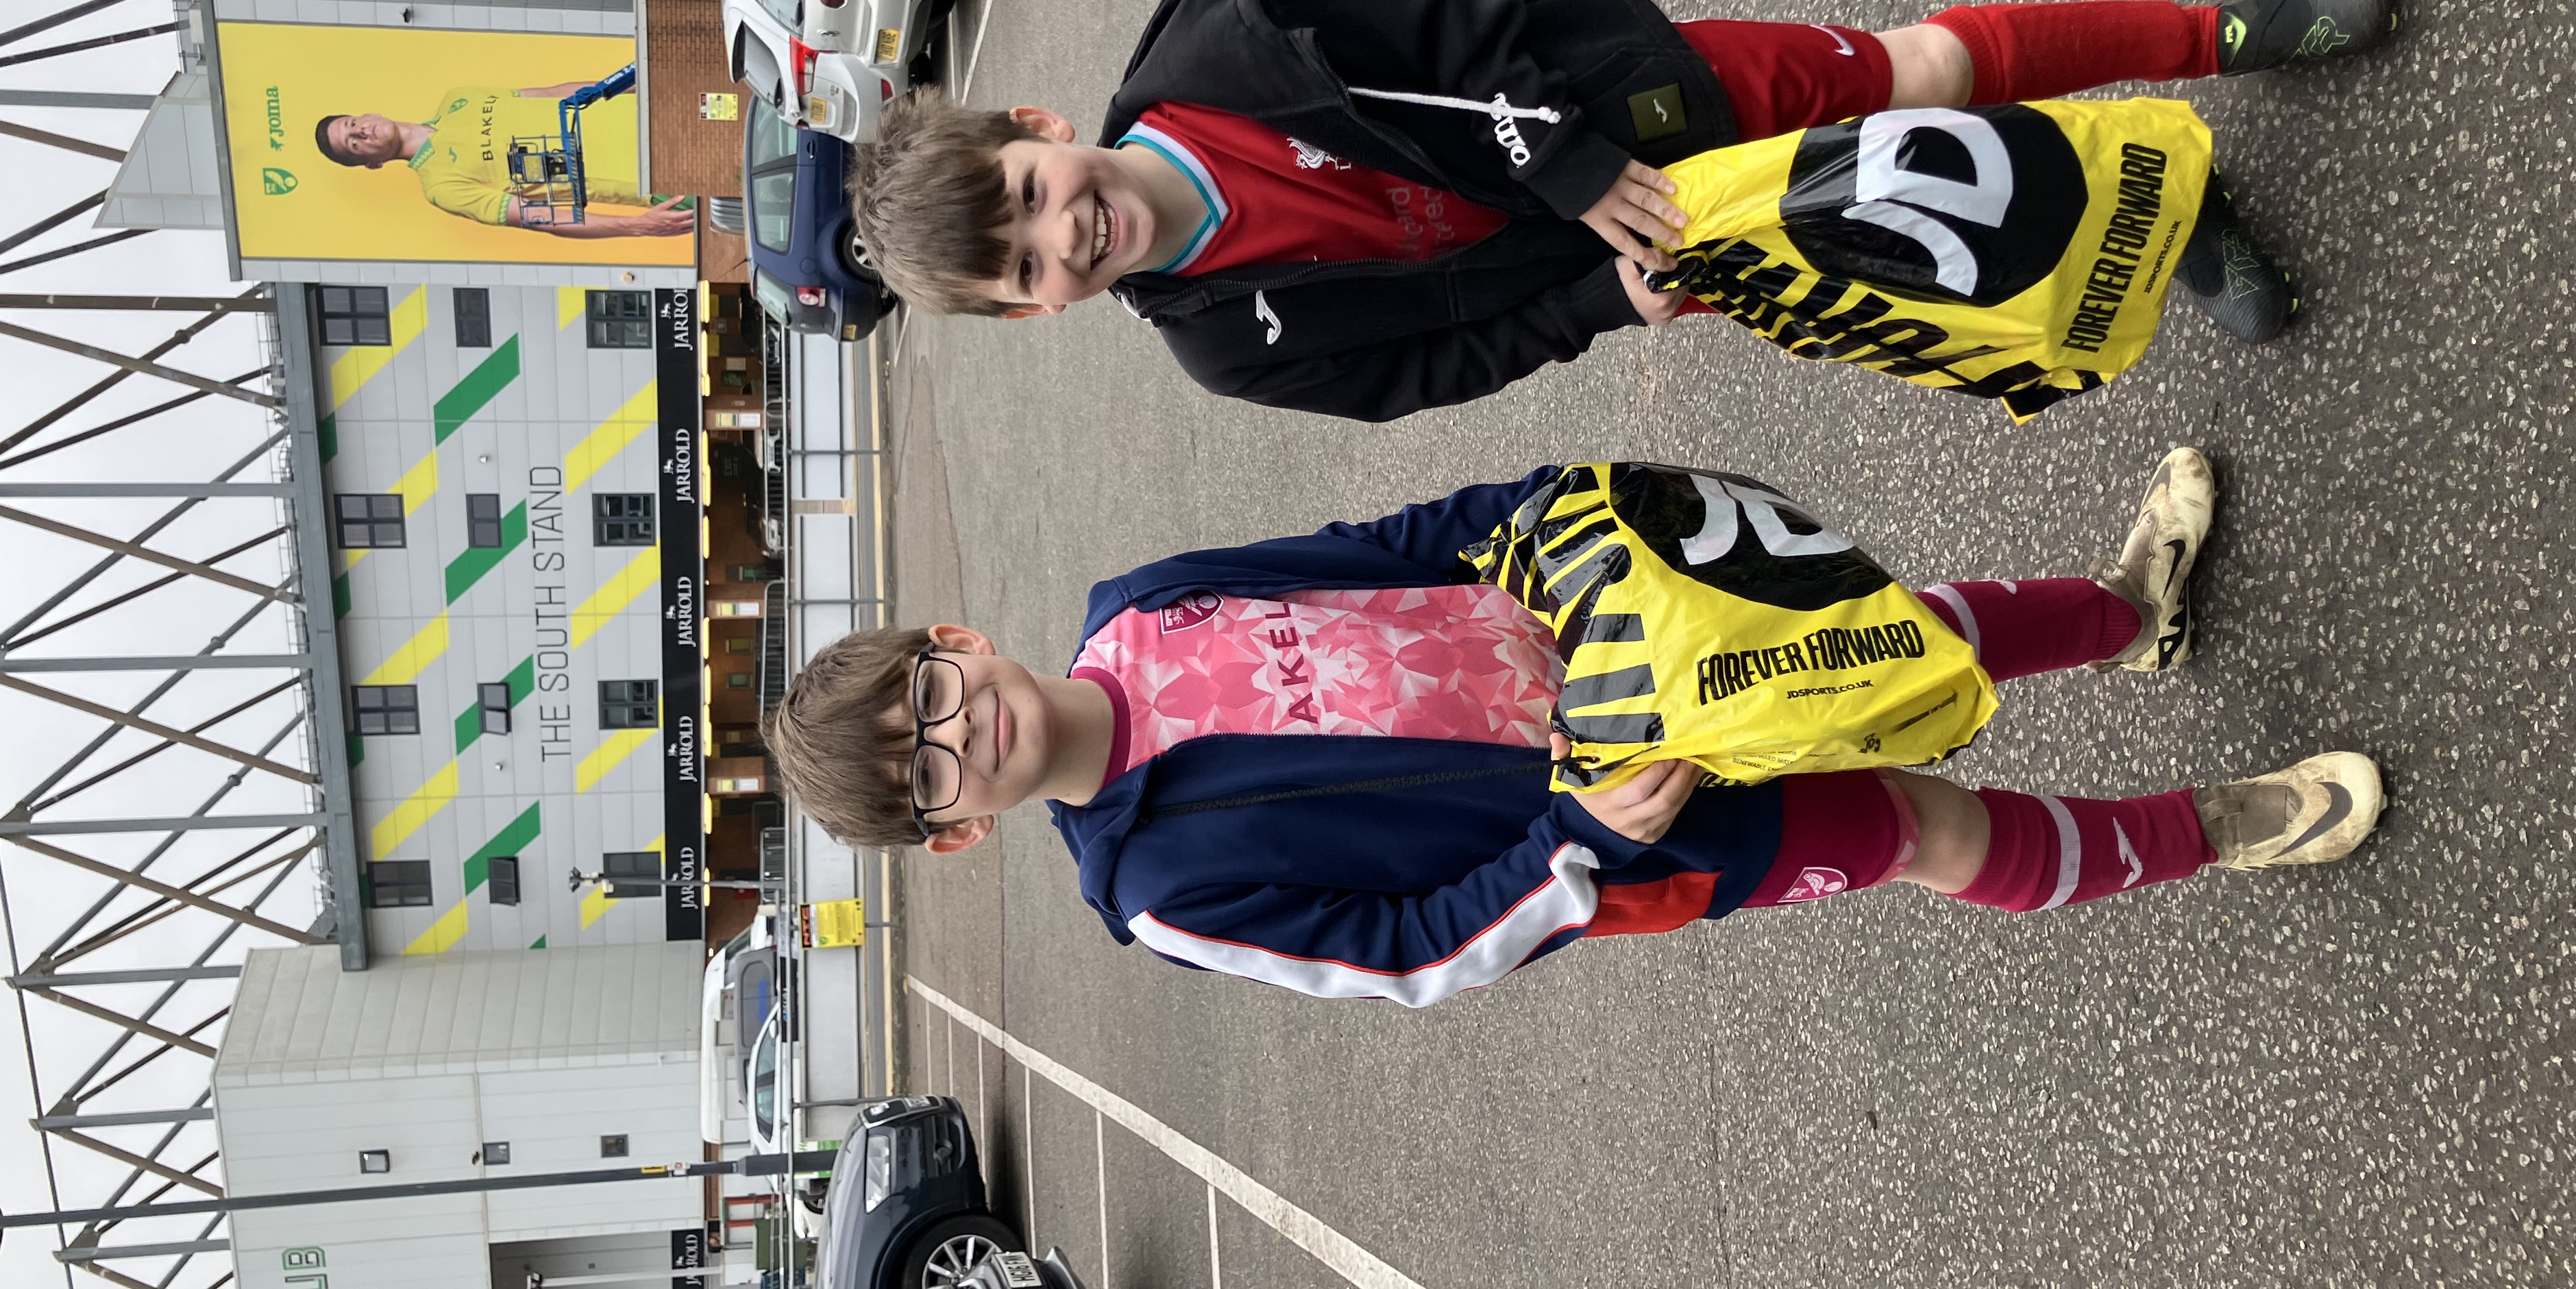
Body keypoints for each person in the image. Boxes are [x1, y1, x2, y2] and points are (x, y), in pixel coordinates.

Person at [769, 452, 2384, 1007]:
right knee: (1920, 822)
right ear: (956, 831)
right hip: (1636, 825)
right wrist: (1578, 843)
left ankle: (2126, 615)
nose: (957, 733)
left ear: (954, 642)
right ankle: (2218, 829)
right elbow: (1403, 954)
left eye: (927, 698)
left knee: (1897, 638)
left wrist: (1526, 518)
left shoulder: (1138, 604)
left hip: (1636, 643)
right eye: (928, 775)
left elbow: (1381, 553)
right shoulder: (1151, 889)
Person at [850, 0, 2401, 420]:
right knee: (1926, 231)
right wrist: (1597, 302)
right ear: (1031, 312)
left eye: (1029, 188)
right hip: (1652, 243)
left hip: (1615, 109)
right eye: (1027, 264)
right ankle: (2165, 219)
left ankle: (2221, 33)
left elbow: (1451, 21)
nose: (1065, 230)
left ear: (1038, 124)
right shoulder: (1221, 345)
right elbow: (1434, 367)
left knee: (1918, 76)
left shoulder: (1225, 54)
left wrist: (1574, 159)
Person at [316, 79, 696, 241]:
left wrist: (640, 83)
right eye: (354, 144)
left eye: (353, 124)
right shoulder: (441, 188)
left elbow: (552, 94)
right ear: (372, 165)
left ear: (368, 114)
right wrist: (639, 227)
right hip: (664, 180)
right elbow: (547, 219)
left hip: (662, 113)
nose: (361, 133)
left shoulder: (459, 98)